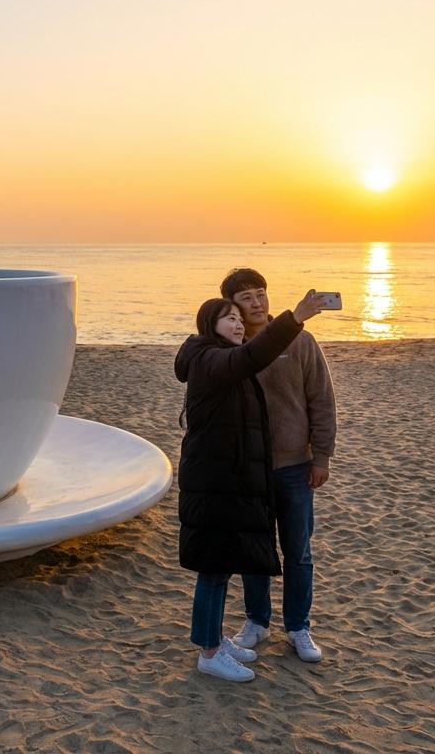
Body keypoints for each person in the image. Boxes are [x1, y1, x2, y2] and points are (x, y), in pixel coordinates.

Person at [175, 289, 324, 682]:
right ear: (211, 326)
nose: (240, 323)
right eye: (230, 318)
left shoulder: (218, 359)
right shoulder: (212, 360)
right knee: (214, 569)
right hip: (215, 481)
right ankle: (209, 651)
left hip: (231, 479)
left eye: (239, 319)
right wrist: (295, 317)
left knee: (223, 565)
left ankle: (216, 640)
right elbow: (251, 357)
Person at [220, 267, 337, 664]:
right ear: (232, 307)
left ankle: (298, 626)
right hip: (249, 468)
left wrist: (321, 456)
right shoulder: (231, 348)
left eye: (260, 293)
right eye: (246, 298)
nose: (257, 302)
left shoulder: (301, 341)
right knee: (255, 548)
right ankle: (256, 620)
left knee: (298, 551)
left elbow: (322, 400)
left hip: (294, 466)